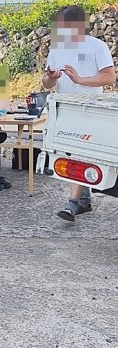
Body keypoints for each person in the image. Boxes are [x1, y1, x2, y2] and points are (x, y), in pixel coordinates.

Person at [42, 6, 116, 222]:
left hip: (91, 109)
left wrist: (80, 80)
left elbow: (109, 77)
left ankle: (73, 204)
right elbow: (46, 84)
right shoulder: (56, 48)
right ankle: (83, 201)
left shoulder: (97, 46)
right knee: (69, 154)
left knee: (80, 154)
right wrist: (53, 78)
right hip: (63, 108)